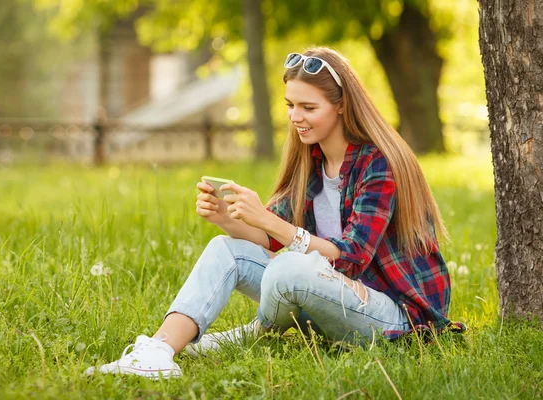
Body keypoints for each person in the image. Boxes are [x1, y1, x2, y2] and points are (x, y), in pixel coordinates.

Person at [85, 47, 463, 379]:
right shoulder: (309, 159)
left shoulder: (379, 164)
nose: (296, 117)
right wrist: (226, 217)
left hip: (392, 314)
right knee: (225, 248)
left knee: (290, 268)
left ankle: (257, 330)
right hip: (325, 289)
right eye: (290, 105)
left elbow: (351, 257)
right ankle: (158, 350)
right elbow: (270, 238)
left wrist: (267, 220)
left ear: (342, 104)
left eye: (308, 107)